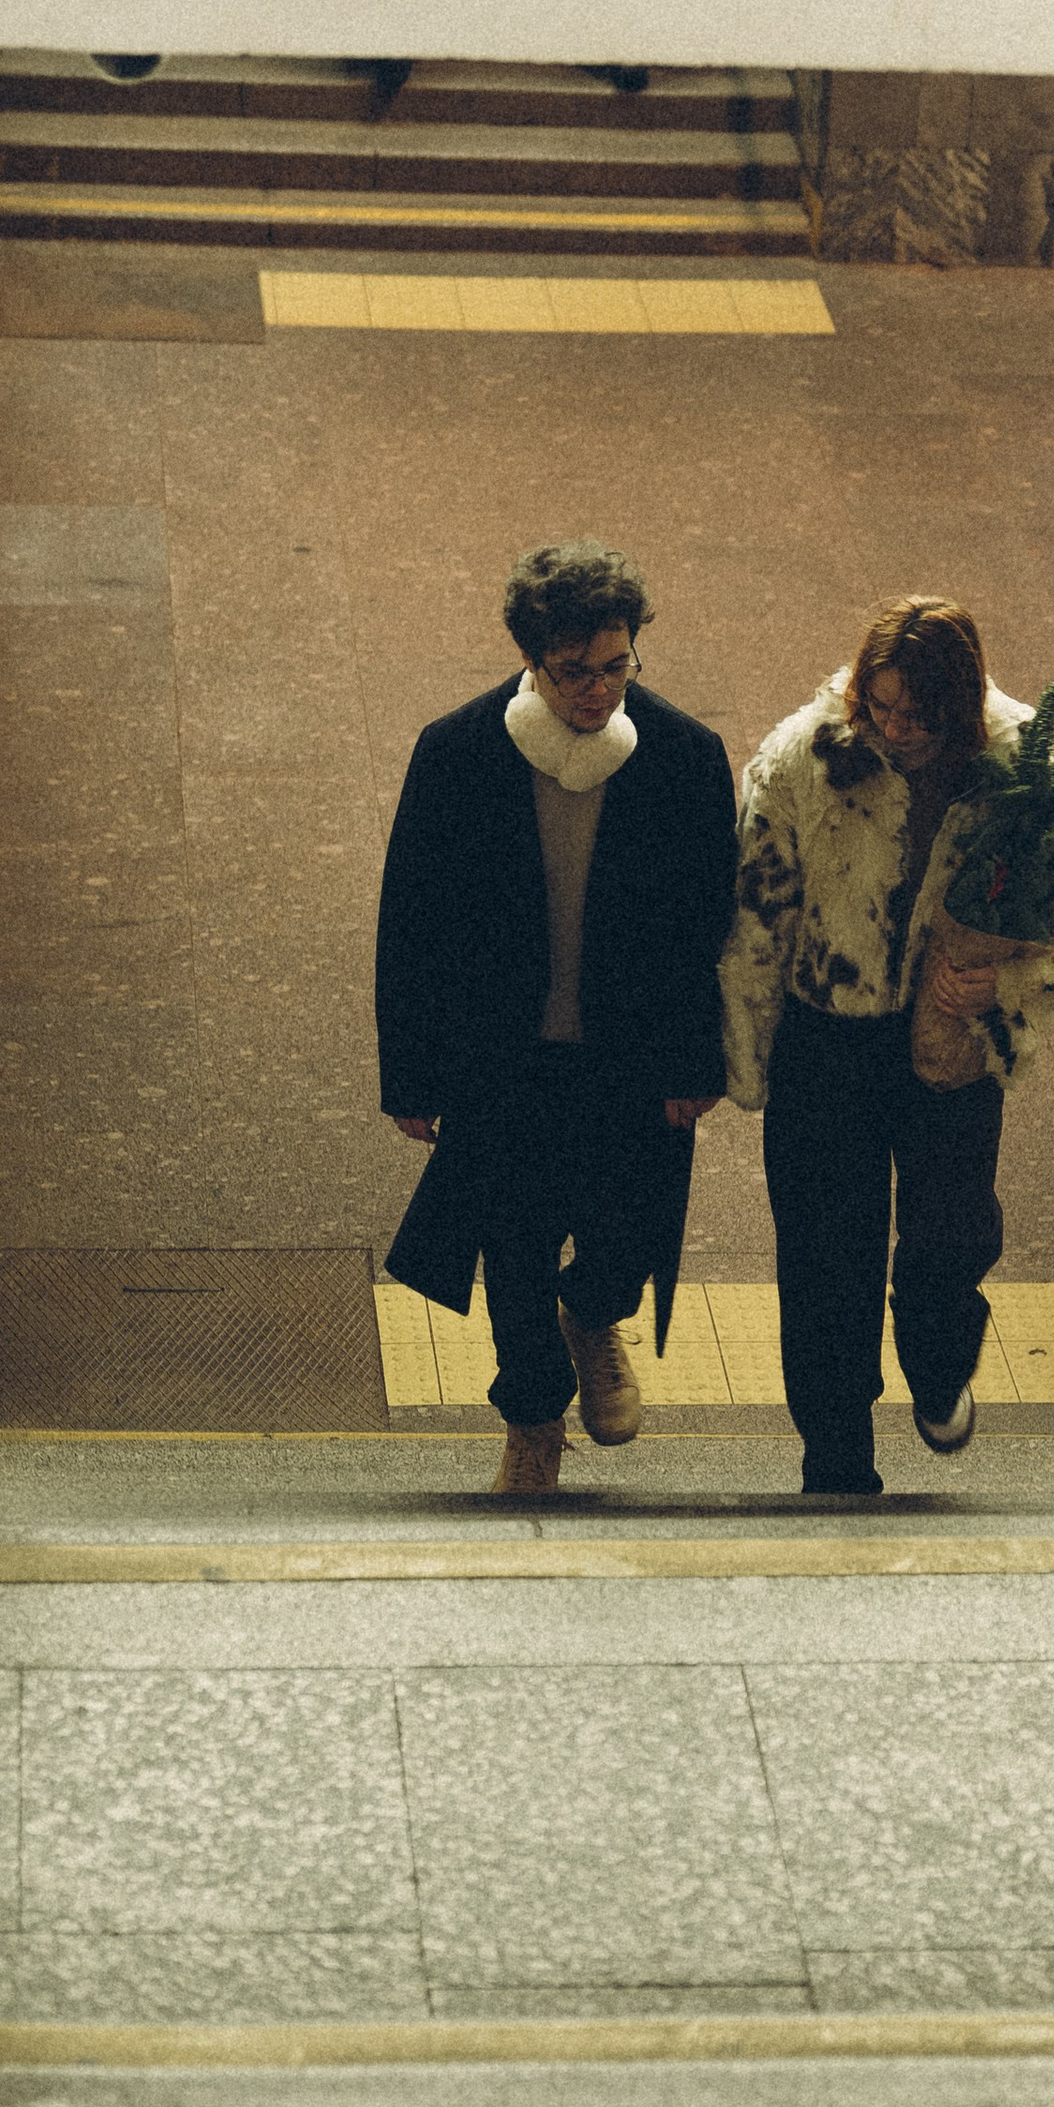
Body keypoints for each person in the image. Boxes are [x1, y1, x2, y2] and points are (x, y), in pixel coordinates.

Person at [377, 541, 737, 1494]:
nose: (599, 690)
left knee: (627, 1236)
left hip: (632, 1058)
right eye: (574, 671)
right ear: (531, 662)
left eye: (617, 665)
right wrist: (412, 1076)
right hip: (504, 1058)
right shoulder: (457, 755)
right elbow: (409, 920)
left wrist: (700, 1060)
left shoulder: (686, 759)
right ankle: (532, 1419)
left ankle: (597, 1313)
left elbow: (713, 923)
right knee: (514, 1246)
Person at [720, 596, 1054, 1498]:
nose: (893, 730)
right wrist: (741, 1056)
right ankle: (836, 1459)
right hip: (826, 1038)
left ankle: (937, 1364)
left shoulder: (1021, 768)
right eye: (878, 708)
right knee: (822, 1259)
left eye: (917, 717)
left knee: (949, 1236)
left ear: (960, 706)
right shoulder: (806, 756)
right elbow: (758, 910)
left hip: (950, 1040)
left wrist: (1001, 991)